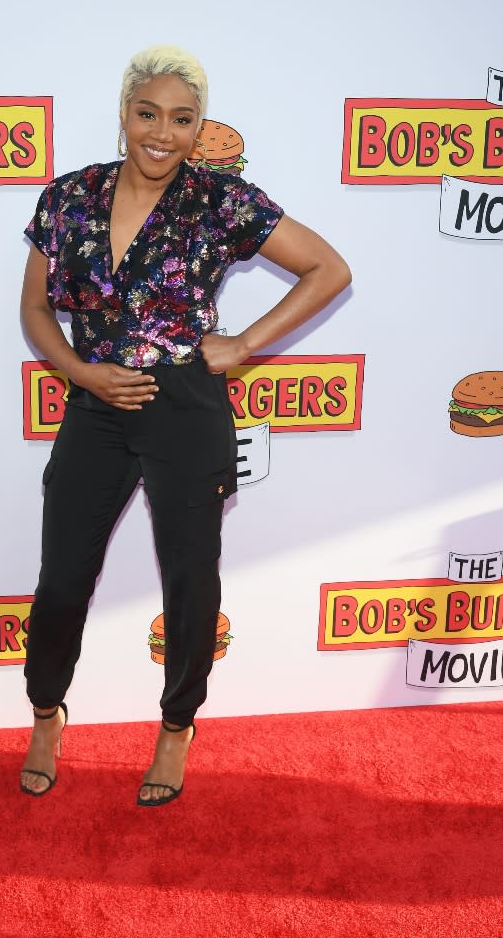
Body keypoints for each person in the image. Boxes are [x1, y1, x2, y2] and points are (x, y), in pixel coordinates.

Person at [19, 44, 351, 805]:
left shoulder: (220, 200)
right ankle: (45, 714)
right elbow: (35, 308)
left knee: (189, 581)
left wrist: (240, 345)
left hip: (186, 409)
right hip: (95, 403)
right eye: (148, 114)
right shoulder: (68, 197)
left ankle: (176, 729)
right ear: (123, 114)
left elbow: (329, 268)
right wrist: (80, 370)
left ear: (199, 129)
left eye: (181, 119)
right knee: (63, 577)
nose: (162, 132)